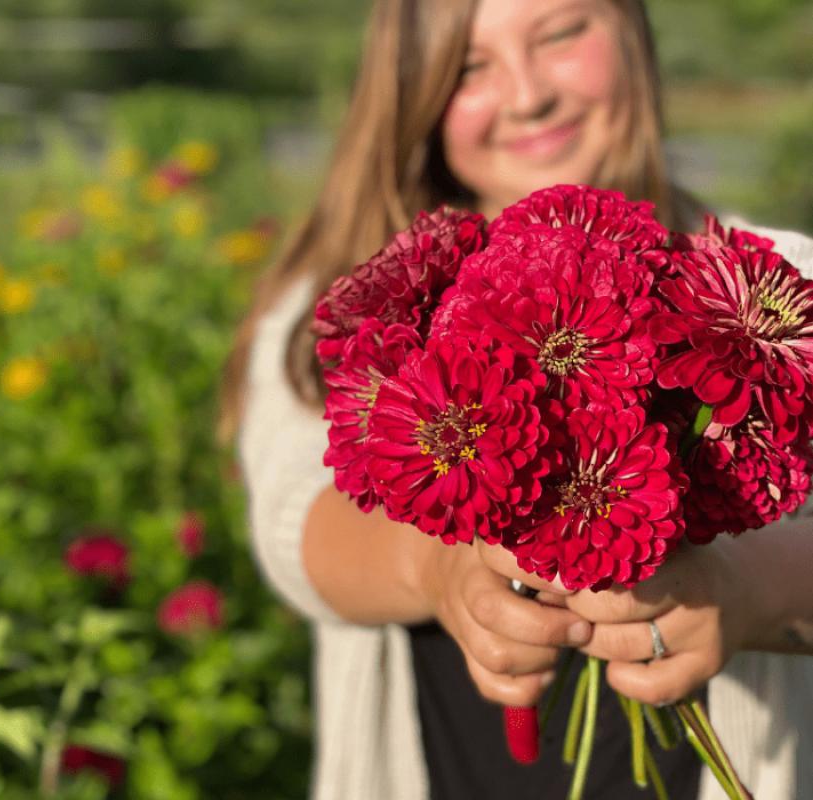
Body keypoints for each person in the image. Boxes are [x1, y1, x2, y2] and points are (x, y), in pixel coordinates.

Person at [220, 1, 813, 798]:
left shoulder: (776, 281)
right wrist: (432, 566)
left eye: (561, 33)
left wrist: (752, 588)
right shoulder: (349, 303)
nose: (528, 93)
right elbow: (297, 519)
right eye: (469, 67)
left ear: (632, 34)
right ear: (412, 98)